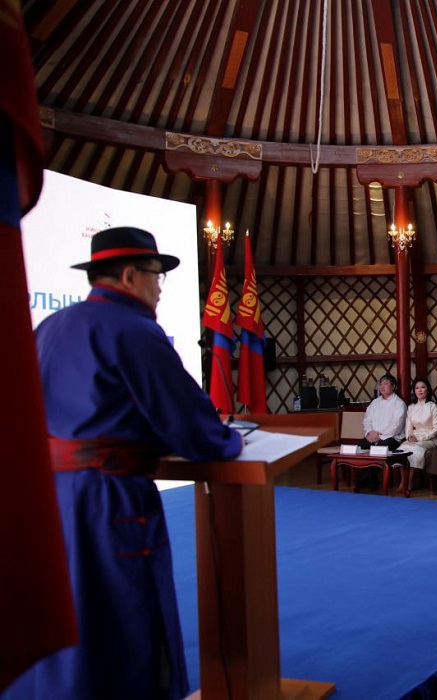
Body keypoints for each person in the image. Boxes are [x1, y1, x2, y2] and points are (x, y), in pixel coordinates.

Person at [12, 227, 243, 699]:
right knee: (121, 615)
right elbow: (190, 426)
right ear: (130, 276)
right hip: (107, 498)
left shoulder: (50, 327)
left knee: (62, 608)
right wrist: (228, 439)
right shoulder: (133, 330)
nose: (160, 288)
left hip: (48, 501)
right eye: (157, 275)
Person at [395, 378, 437, 497]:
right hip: (414, 437)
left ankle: (409, 482)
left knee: (414, 450)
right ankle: (403, 482)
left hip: (430, 438)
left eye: (422, 387)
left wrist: (419, 439)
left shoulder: (433, 407)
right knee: (402, 450)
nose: (420, 390)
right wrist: (409, 437)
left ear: (428, 390)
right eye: (417, 388)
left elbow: (436, 429)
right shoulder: (411, 407)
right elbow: (408, 426)